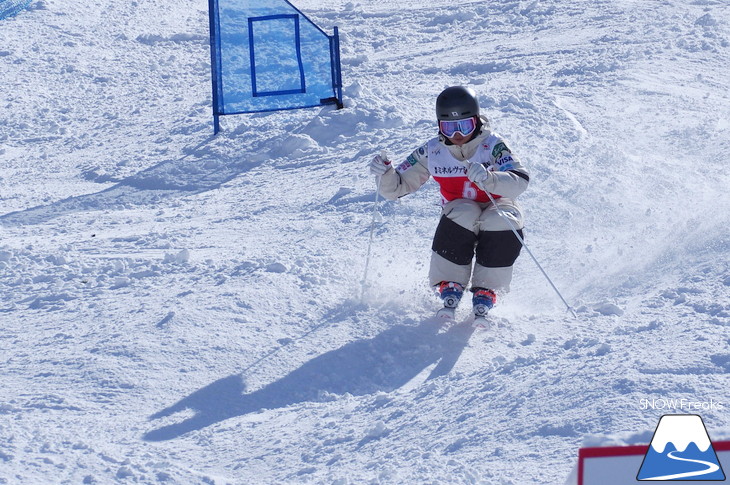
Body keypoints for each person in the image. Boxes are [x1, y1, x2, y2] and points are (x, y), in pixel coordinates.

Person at [369, 86, 529, 323]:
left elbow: (520, 181)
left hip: (497, 203)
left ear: (476, 121)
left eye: (464, 126)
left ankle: (487, 288)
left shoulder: (492, 145)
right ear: (439, 125)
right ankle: (450, 281)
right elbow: (397, 187)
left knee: (501, 219)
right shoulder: (433, 150)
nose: (457, 135)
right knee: (463, 211)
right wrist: (386, 174)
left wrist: (489, 178)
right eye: (449, 128)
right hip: (459, 209)